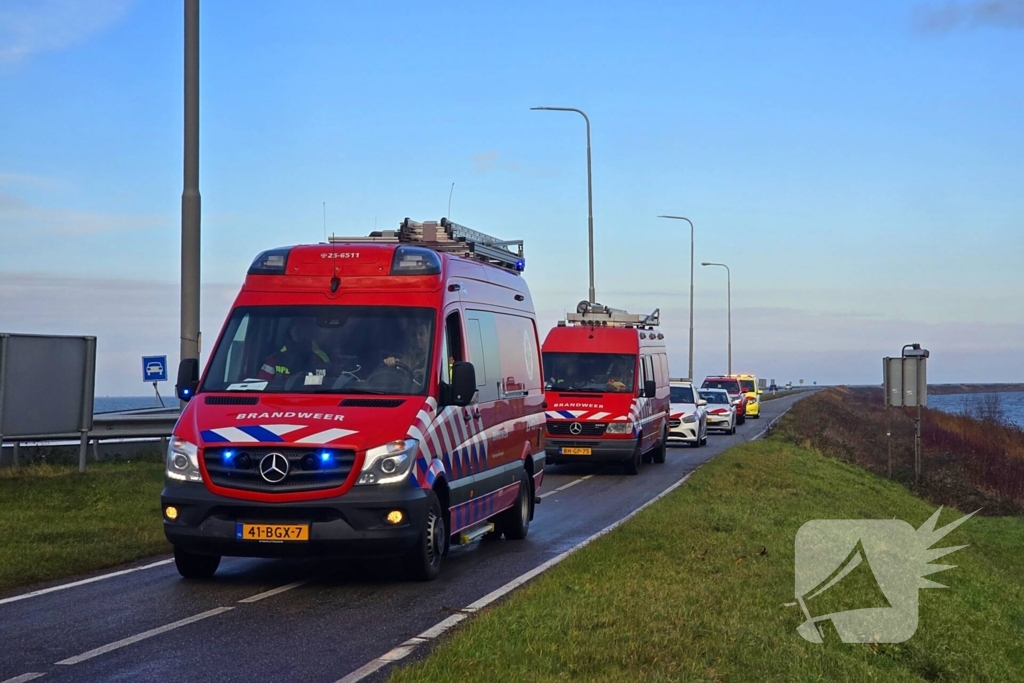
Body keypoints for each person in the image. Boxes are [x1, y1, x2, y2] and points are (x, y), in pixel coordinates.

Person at [257, 317, 330, 381]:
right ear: (291, 330)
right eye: (298, 329)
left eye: (305, 329)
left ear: (311, 332)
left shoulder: (319, 358)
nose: (301, 332)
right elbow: (261, 384)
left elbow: (324, 385)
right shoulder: (275, 358)